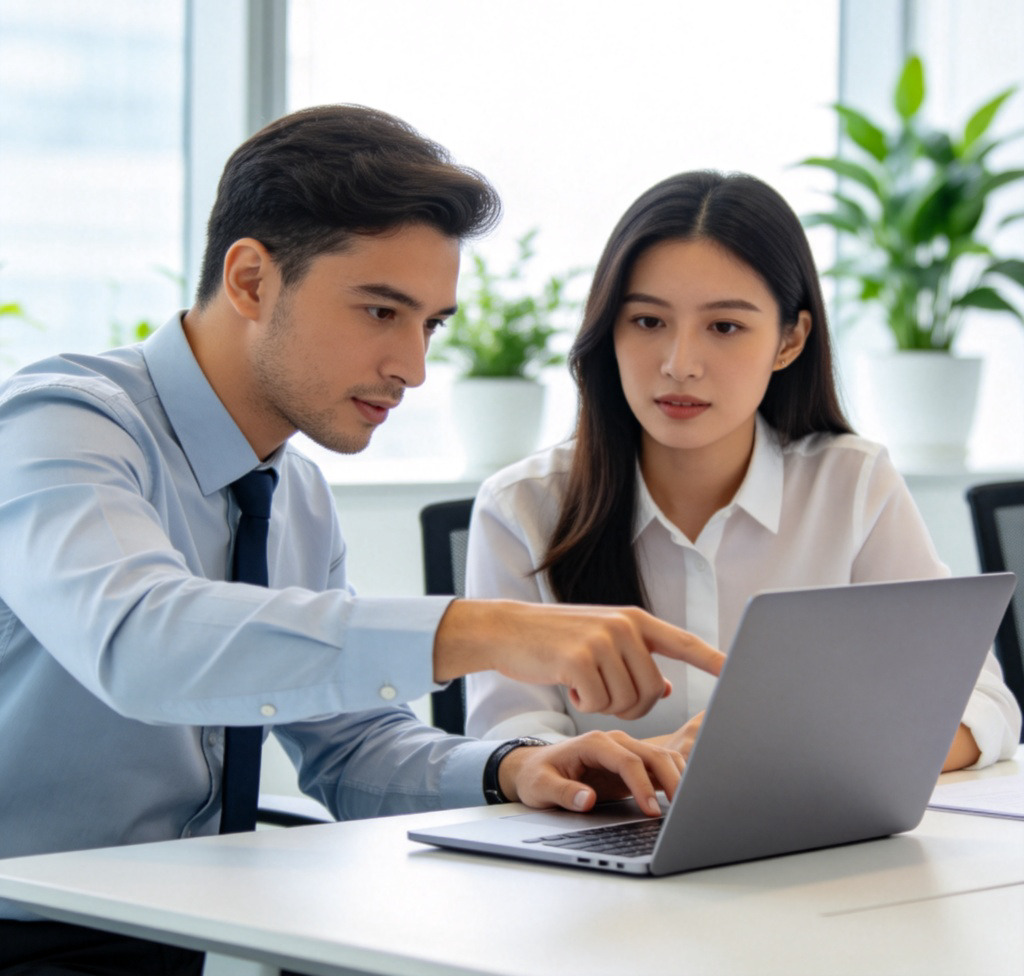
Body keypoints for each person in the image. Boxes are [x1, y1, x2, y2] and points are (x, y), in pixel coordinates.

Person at [0, 107, 726, 975]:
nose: (413, 367)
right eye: (382, 310)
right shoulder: (58, 425)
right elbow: (141, 641)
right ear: (251, 280)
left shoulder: (293, 492)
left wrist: (516, 770)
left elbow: (349, 748)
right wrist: (481, 628)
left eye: (430, 324)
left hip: (171, 939)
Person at [464, 169, 1021, 772]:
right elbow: (510, 742)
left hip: (810, 843)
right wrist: (652, 766)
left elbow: (981, 706)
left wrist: (803, 751)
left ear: (789, 340)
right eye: (648, 322)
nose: (680, 365)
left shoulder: (851, 485)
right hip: (599, 844)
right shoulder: (522, 508)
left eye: (724, 327)